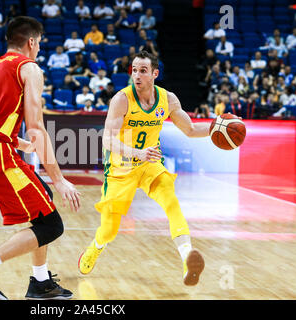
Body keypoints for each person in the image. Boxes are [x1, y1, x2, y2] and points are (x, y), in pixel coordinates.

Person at [0, 16, 80, 301]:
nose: (39, 50)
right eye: (39, 44)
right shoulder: (29, 67)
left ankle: (40, 282)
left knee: (42, 204)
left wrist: (20, 142)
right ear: (31, 42)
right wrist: (60, 180)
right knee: (51, 225)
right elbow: (36, 126)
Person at [78, 51, 207, 287]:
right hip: (121, 168)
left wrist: (218, 127)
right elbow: (107, 140)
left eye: (143, 70)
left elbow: (190, 130)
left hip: (150, 164)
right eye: (134, 70)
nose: (136, 75)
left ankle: (187, 258)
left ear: (155, 74)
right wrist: (137, 153)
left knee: (171, 202)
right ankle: (95, 247)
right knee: (109, 231)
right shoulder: (121, 99)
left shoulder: (167, 99)